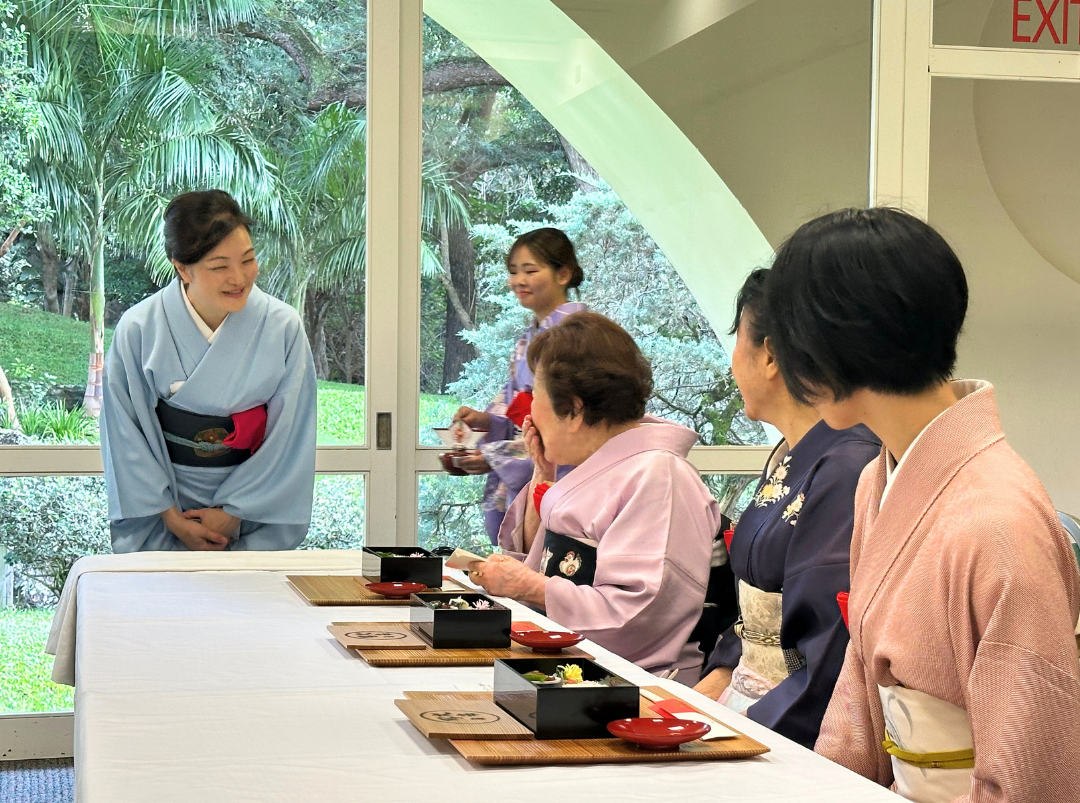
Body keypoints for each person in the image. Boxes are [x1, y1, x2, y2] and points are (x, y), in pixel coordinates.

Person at [765, 208, 1080, 802]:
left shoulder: (998, 522)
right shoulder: (875, 483)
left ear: (830, 343)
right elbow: (860, 688)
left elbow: (1032, 769)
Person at [468, 312, 719, 676]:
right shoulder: (595, 464)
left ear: (573, 409)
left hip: (633, 682)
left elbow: (637, 618)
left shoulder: (658, 476)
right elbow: (533, 563)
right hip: (566, 659)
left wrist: (536, 589)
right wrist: (543, 472)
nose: (529, 412)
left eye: (535, 396)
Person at [693, 269, 880, 749]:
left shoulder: (848, 464)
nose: (733, 360)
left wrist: (737, 734)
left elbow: (830, 650)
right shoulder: (789, 452)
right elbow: (753, 613)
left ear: (770, 354)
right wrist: (711, 686)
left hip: (791, 721)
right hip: (748, 701)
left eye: (738, 341)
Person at [102, 190, 317, 552]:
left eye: (248, 260)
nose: (239, 278)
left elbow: (290, 435)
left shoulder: (283, 327)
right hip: (164, 513)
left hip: (254, 513)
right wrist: (170, 517)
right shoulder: (139, 328)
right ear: (182, 267)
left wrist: (233, 513)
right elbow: (124, 435)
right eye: (220, 267)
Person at [451, 228, 586, 545]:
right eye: (513, 272)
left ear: (563, 273)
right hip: (531, 455)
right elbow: (515, 406)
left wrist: (495, 456)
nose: (518, 281)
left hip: (562, 475)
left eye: (530, 270)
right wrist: (484, 422)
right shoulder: (530, 337)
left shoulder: (577, 337)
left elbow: (569, 425)